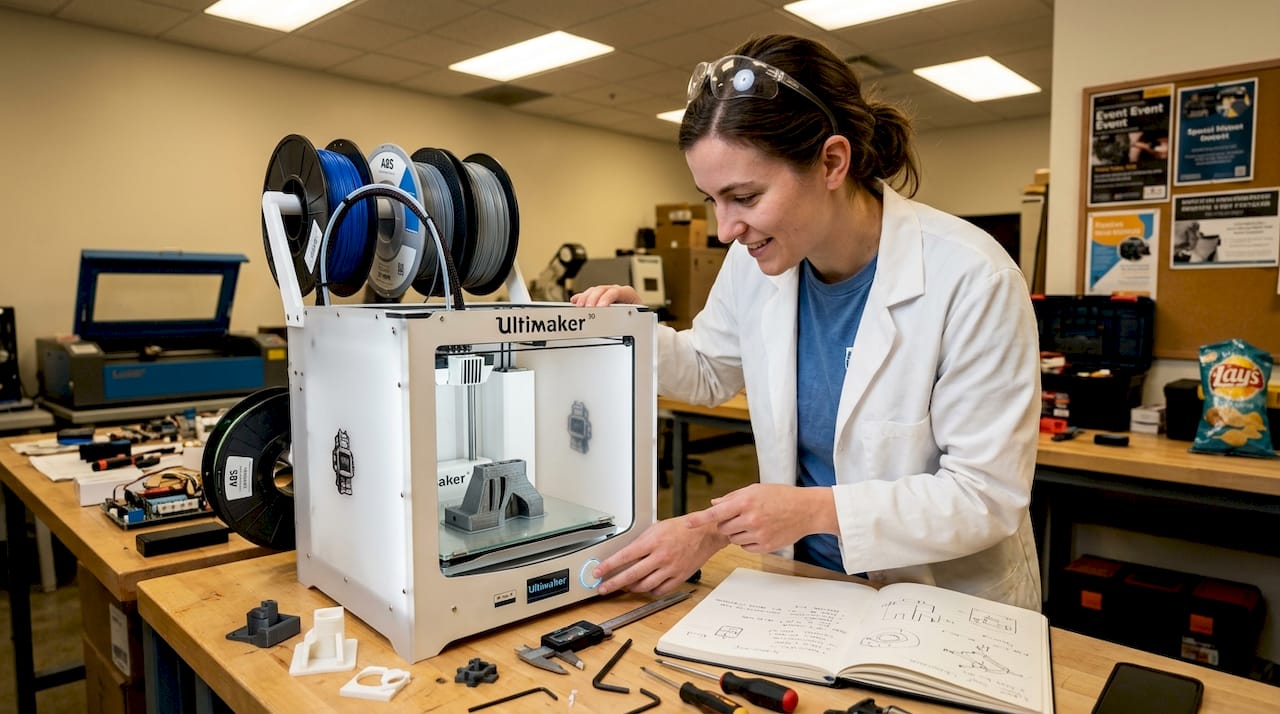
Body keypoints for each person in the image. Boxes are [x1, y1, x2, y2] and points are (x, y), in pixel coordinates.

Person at [572, 34, 1043, 610]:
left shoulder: (974, 276)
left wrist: (811, 510)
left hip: (943, 601)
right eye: (712, 200)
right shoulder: (759, 264)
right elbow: (706, 371)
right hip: (810, 588)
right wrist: (633, 332)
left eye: (744, 196)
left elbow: (983, 497)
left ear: (831, 162)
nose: (726, 229)